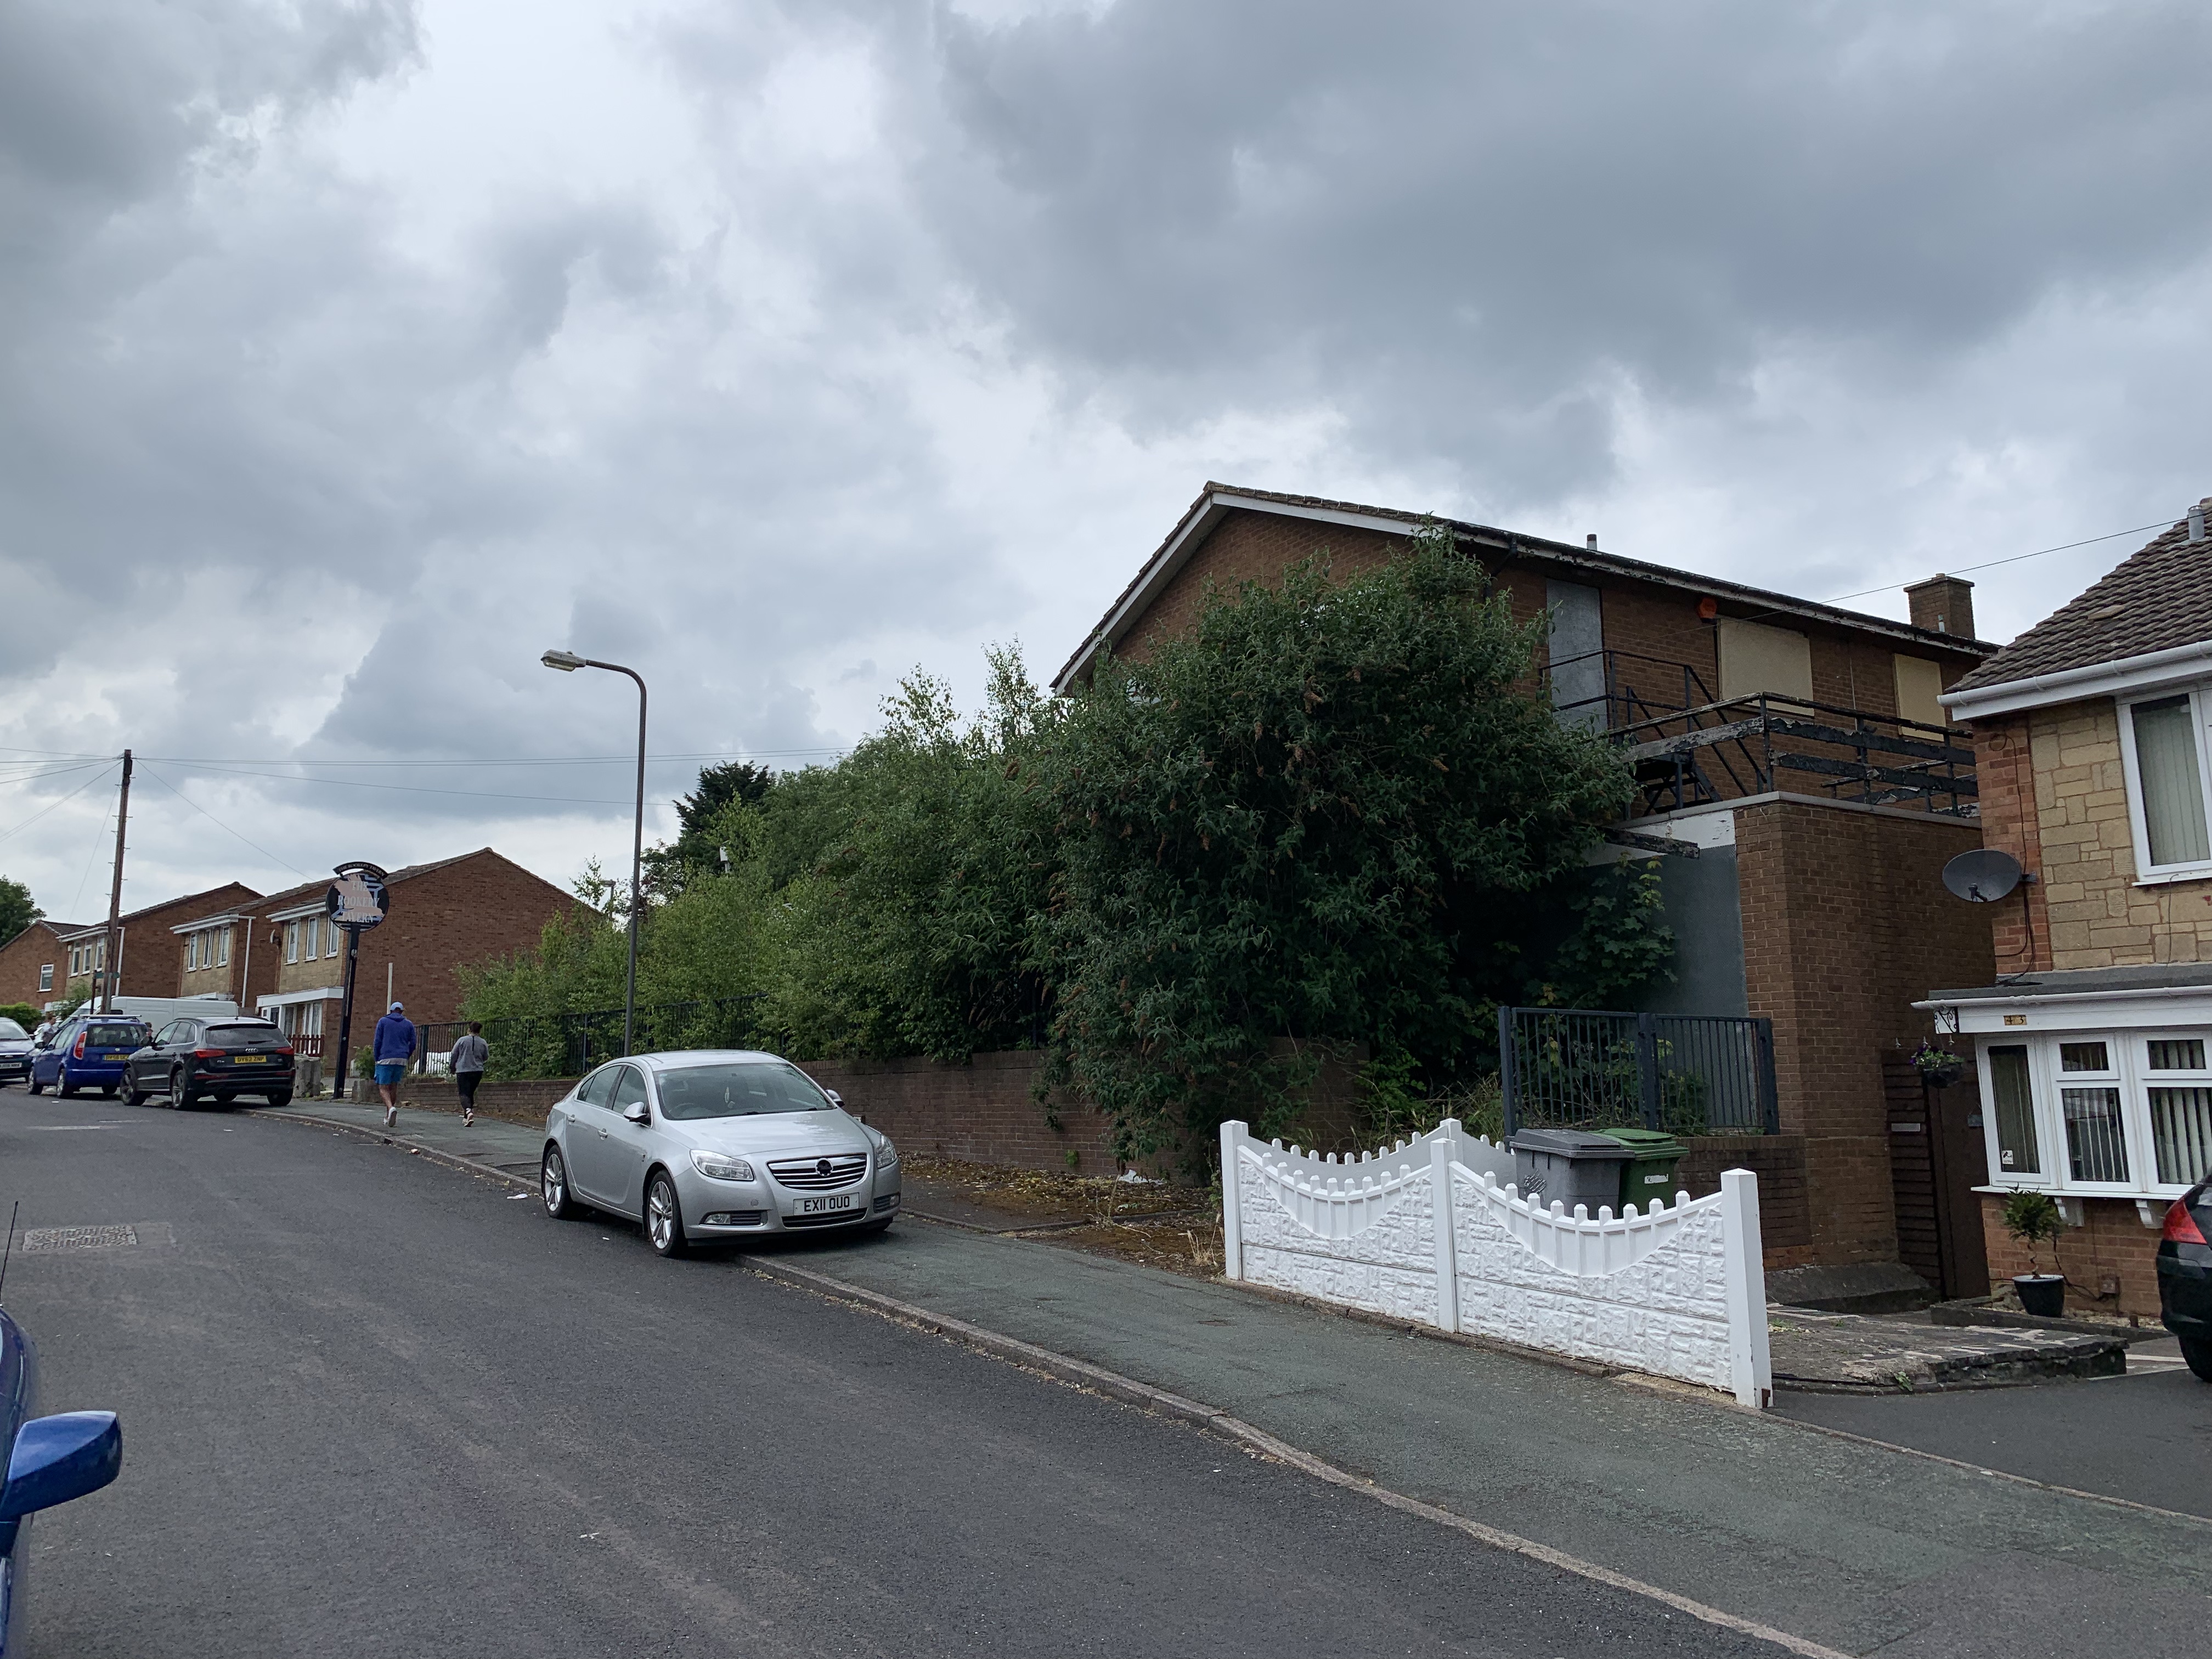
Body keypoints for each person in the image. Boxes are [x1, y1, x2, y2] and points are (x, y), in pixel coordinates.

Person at [373, 1000, 417, 1129]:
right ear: (402, 1011)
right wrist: (406, 1055)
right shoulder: (409, 1024)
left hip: (385, 1057)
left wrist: (377, 1057)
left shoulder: (383, 1022)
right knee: (394, 1086)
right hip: (401, 1058)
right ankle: (388, 1116)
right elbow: (413, 1043)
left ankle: (391, 1108)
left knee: (383, 1087)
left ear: (391, 1011)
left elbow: (377, 1041)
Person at [451, 1021, 488, 1127]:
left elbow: (454, 1054)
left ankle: (468, 1111)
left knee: (463, 1093)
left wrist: (452, 1066)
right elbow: (486, 1057)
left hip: (463, 1070)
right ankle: (466, 1118)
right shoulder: (483, 1042)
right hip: (477, 1071)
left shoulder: (462, 1040)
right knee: (470, 1092)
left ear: (469, 1030)